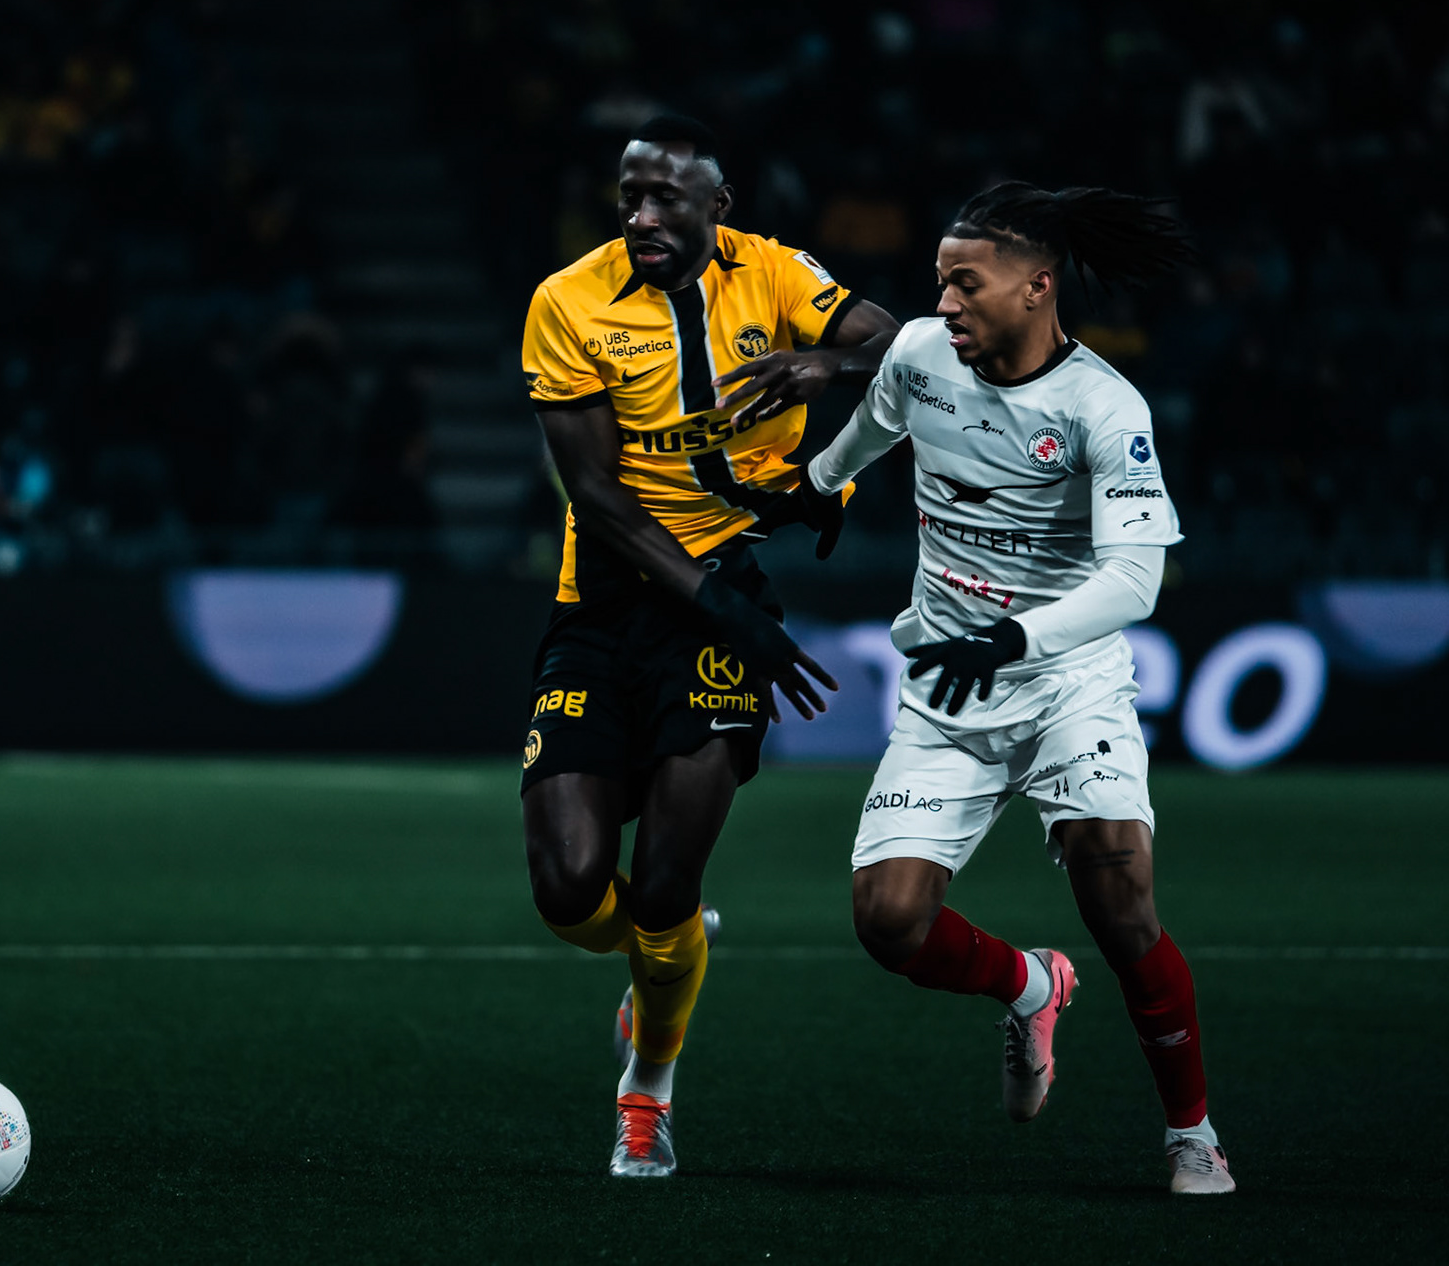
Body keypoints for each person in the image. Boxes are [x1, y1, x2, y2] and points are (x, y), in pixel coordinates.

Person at [799, 181, 1235, 1195]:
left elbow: (1133, 578)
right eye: (939, 282)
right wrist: (812, 489)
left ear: (1037, 287)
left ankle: (1192, 1132)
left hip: (1063, 679)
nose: (944, 303)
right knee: (888, 918)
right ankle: (1031, 982)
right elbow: (871, 430)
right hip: (950, 681)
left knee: (1119, 891)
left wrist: (1013, 634)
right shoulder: (917, 355)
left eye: (967, 283)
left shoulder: (1103, 409)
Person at [519, 115, 899, 1178]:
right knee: (570, 890)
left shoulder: (773, 273)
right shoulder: (568, 300)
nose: (639, 216)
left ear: (715, 210)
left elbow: (895, 344)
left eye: (663, 200)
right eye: (629, 196)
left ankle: (649, 1084)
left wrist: (821, 363)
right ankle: (662, 953)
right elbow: (595, 495)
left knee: (668, 878)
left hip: (723, 586)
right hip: (604, 601)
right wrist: (721, 608)